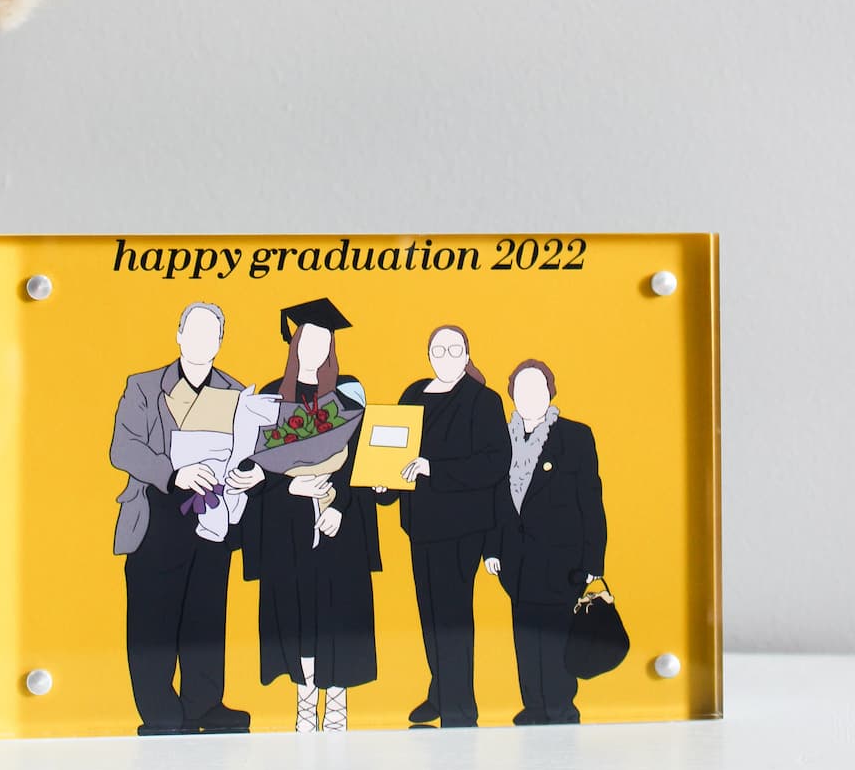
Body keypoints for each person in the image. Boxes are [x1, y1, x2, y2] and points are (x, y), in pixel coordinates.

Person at [226, 298, 382, 732]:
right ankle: (305, 704)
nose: (315, 348)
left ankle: (338, 708)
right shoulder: (272, 396)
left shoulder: (348, 395)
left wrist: (339, 505)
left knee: (338, 617)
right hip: (288, 527)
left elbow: (360, 460)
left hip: (338, 528)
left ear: (332, 347)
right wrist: (288, 486)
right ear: (294, 344)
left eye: (323, 341)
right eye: (307, 340)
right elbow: (257, 462)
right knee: (297, 618)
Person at [109, 301, 250, 736]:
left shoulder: (236, 391)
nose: (203, 341)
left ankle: (204, 704)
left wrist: (248, 474)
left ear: (221, 342)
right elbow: (123, 448)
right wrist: (174, 473)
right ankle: (159, 710)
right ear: (179, 335)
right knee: (153, 615)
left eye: (212, 334)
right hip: (158, 514)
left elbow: (249, 448)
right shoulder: (144, 386)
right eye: (195, 331)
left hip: (214, 516)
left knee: (206, 613)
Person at [375, 325, 511, 728]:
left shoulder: (483, 400)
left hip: (463, 527)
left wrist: (433, 468)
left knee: (453, 617)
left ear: (467, 355)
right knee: (430, 615)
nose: (446, 356)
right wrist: (385, 483)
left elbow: (493, 463)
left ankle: (460, 707)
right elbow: (394, 449)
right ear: (428, 355)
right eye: (438, 349)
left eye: (454, 349)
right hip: (420, 524)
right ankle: (440, 693)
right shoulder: (414, 395)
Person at [483, 359, 607, 725]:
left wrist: (593, 561)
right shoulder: (499, 439)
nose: (529, 396)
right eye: (521, 389)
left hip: (561, 561)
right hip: (516, 560)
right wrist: (491, 549)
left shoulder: (575, 437)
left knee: (556, 638)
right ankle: (534, 706)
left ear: (550, 391)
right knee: (525, 636)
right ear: (512, 393)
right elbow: (492, 499)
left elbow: (591, 502)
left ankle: (561, 708)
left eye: (537, 388)